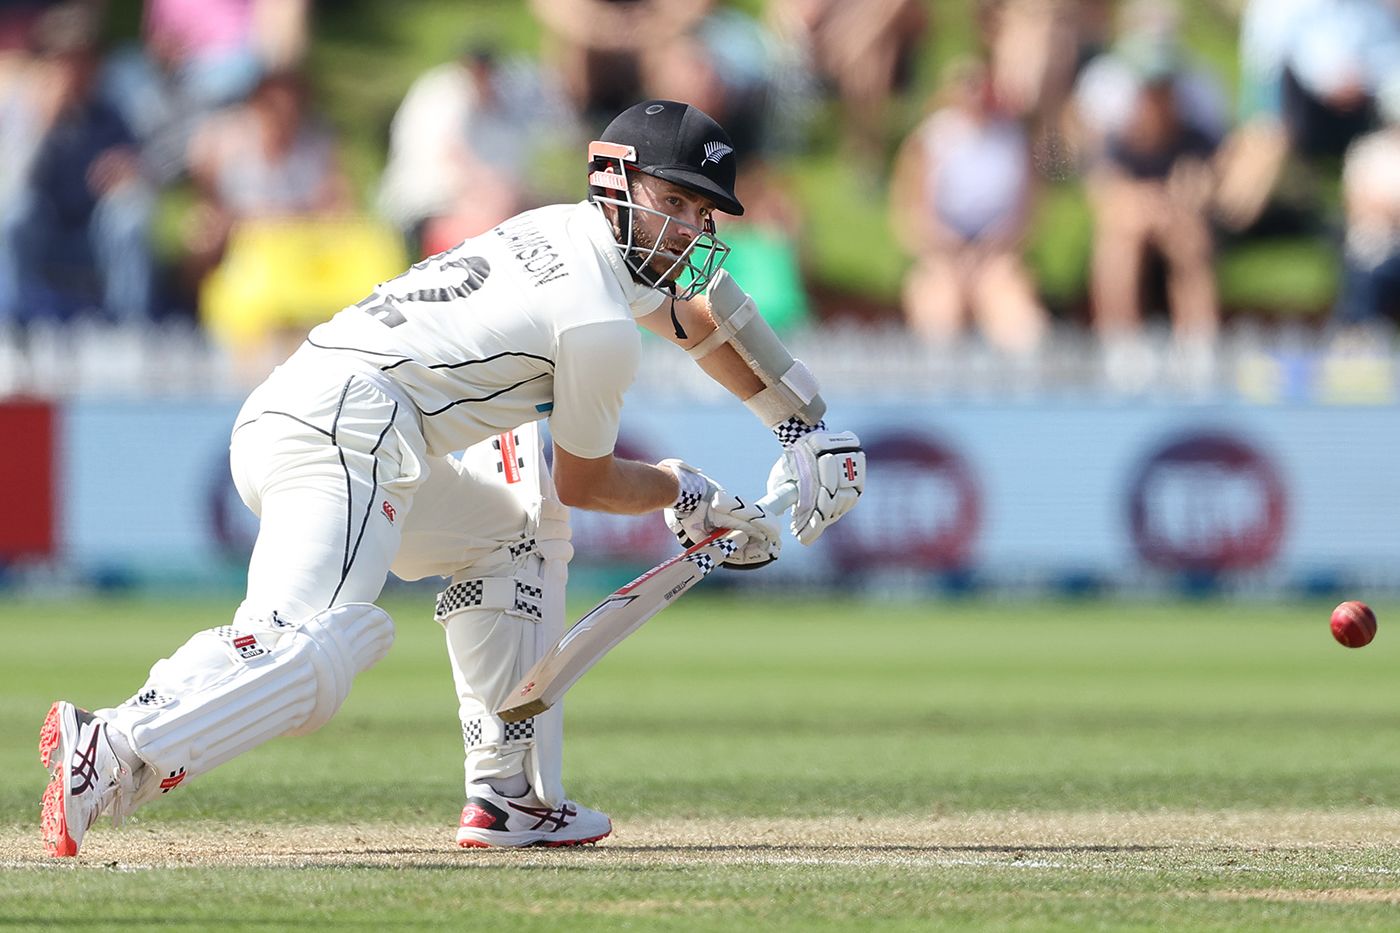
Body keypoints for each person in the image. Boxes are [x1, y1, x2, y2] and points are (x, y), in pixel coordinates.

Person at [38, 99, 866, 856]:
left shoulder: (566, 234)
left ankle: (507, 795)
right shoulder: (595, 318)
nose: (686, 228)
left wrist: (804, 424)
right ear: (614, 180)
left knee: (511, 535)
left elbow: (695, 319)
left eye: (700, 212)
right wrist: (687, 493)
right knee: (312, 655)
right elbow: (585, 481)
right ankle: (111, 741)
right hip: (350, 428)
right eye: (672, 201)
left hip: (334, 419)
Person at [889, 59, 1048, 356]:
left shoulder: (1015, 139)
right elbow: (911, 212)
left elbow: (1029, 210)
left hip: (997, 252)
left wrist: (993, 247)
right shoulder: (930, 139)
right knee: (941, 315)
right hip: (942, 253)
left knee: (1020, 324)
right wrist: (948, 247)